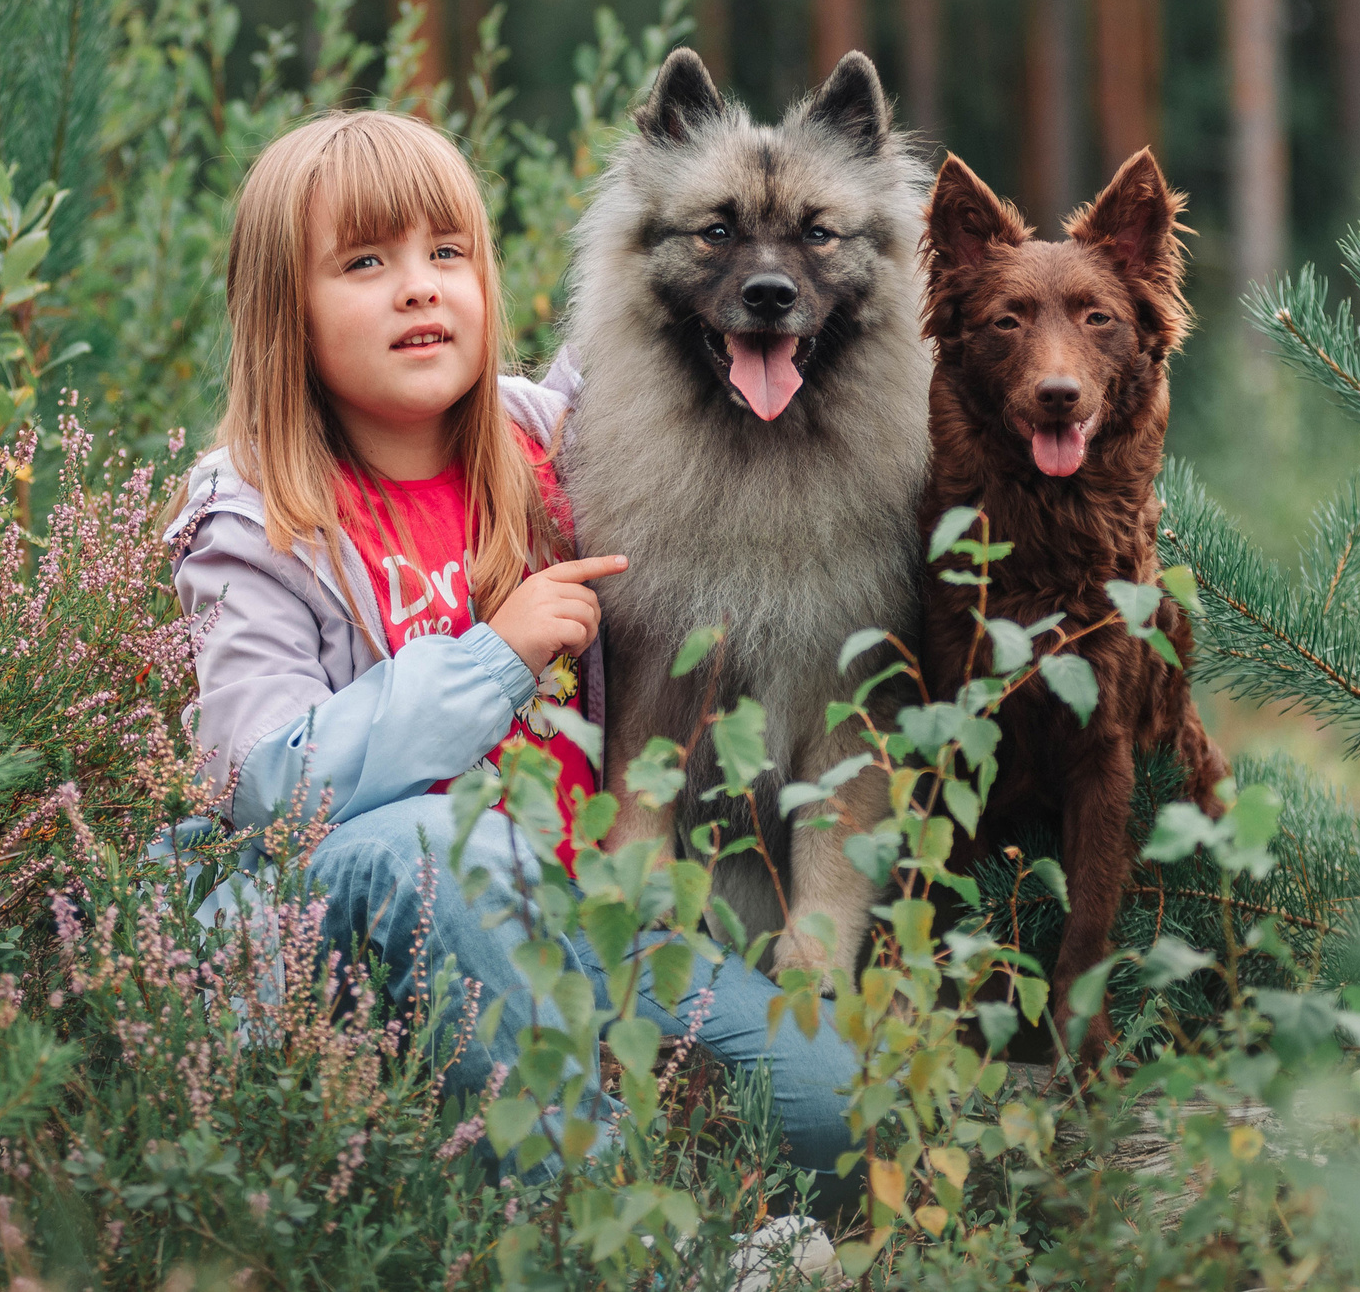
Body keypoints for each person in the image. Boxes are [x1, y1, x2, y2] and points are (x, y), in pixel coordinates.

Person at [156, 108, 857, 1191]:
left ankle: (626, 1156)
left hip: (584, 929)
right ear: (280, 309)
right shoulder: (257, 517)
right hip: (361, 927)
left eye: (446, 254)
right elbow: (262, 778)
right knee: (443, 841)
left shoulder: (552, 443)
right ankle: (631, 1249)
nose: (418, 287)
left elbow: (669, 303)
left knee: (836, 1105)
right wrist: (492, 658)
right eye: (363, 262)